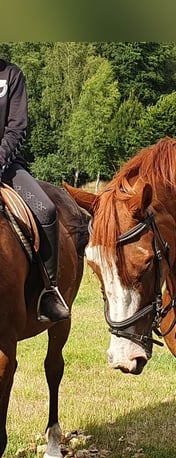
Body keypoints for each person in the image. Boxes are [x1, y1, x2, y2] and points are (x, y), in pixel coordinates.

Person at [0, 58, 70, 322]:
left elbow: (16, 128)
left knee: (46, 210)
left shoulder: (11, 76)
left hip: (7, 166)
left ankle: (48, 293)